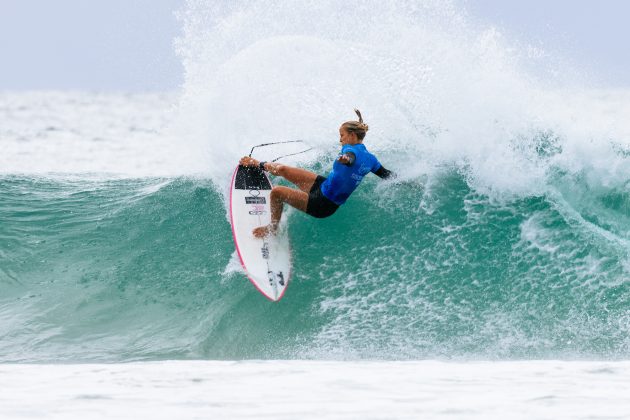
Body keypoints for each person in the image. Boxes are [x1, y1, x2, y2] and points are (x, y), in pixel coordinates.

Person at [239, 109, 393, 238]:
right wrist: (406, 180)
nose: (340, 140)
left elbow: (351, 158)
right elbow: (386, 174)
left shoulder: (350, 151)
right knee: (282, 170)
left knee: (277, 192)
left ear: (352, 135)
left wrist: (345, 159)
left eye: (342, 135)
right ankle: (257, 163)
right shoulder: (372, 159)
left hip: (324, 204)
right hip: (324, 185)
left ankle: (272, 228)